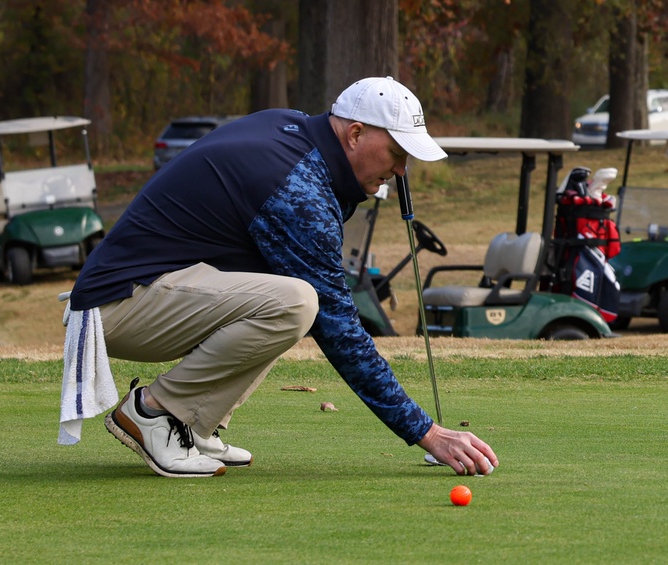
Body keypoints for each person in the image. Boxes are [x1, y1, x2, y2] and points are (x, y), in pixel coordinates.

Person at [66, 76, 499, 478]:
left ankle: (196, 425)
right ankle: (155, 412)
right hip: (117, 307)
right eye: (397, 154)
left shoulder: (293, 132)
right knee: (298, 302)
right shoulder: (297, 185)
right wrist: (426, 432)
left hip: (152, 293)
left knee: (290, 296)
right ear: (355, 134)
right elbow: (340, 330)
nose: (402, 170)